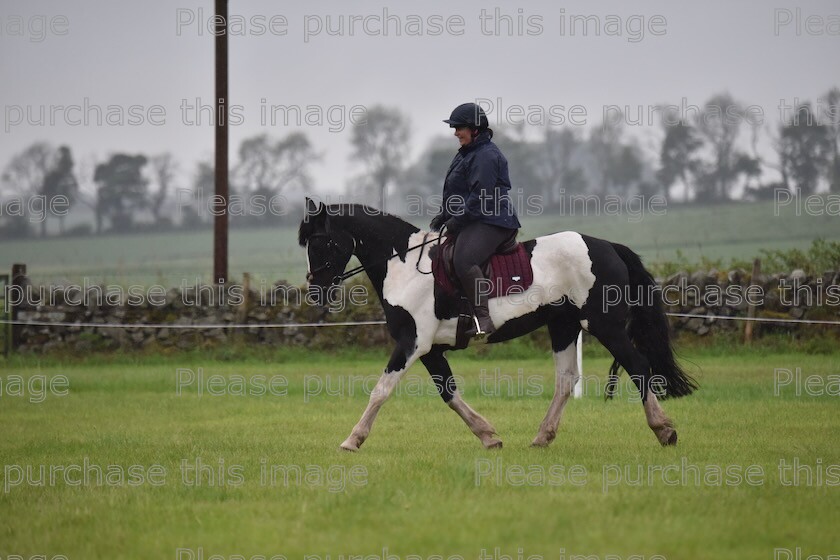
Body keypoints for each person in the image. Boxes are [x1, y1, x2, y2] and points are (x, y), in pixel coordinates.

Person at [430, 102, 521, 339]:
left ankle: (483, 318)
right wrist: (444, 215)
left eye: (459, 127)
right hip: (475, 218)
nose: (455, 132)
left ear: (475, 129)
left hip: (494, 220)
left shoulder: (486, 156)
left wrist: (456, 221)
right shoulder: (467, 153)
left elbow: (481, 198)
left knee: (463, 259)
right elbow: (458, 192)